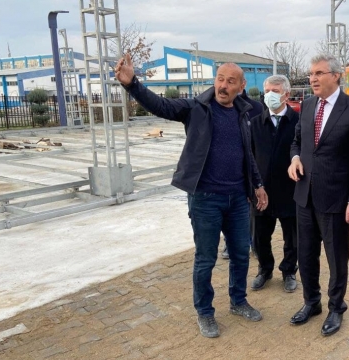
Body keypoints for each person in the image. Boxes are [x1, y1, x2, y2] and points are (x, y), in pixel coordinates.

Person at [114, 54, 268, 338]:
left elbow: (248, 154)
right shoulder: (195, 108)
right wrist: (132, 84)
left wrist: (257, 184)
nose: (223, 85)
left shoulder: (245, 112)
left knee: (240, 256)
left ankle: (238, 301)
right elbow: (160, 105)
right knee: (206, 259)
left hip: (238, 199)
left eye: (230, 81)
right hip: (206, 199)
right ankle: (205, 312)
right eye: (220, 79)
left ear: (241, 86)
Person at [287, 54, 349, 336]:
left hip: (336, 198)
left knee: (336, 257)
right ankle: (312, 303)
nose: (312, 78)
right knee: (306, 254)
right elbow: (297, 140)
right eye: (311, 73)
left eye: (319, 73)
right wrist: (295, 157)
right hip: (304, 195)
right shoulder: (308, 105)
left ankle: (336, 307)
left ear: (336, 75)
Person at [250, 75, 299, 293]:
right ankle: (265, 269)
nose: (270, 95)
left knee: (293, 237)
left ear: (286, 95)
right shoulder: (255, 124)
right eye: (267, 90)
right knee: (260, 236)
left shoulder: (298, 123)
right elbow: (249, 157)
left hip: (291, 190)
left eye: (276, 91)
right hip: (262, 192)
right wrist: (252, 186)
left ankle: (289, 271)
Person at [221, 86, 264, 260]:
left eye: (233, 80)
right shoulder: (218, 107)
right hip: (229, 170)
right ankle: (229, 243)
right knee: (230, 212)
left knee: (248, 211)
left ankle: (250, 242)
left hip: (251, 165)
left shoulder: (256, 107)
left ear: (242, 83)